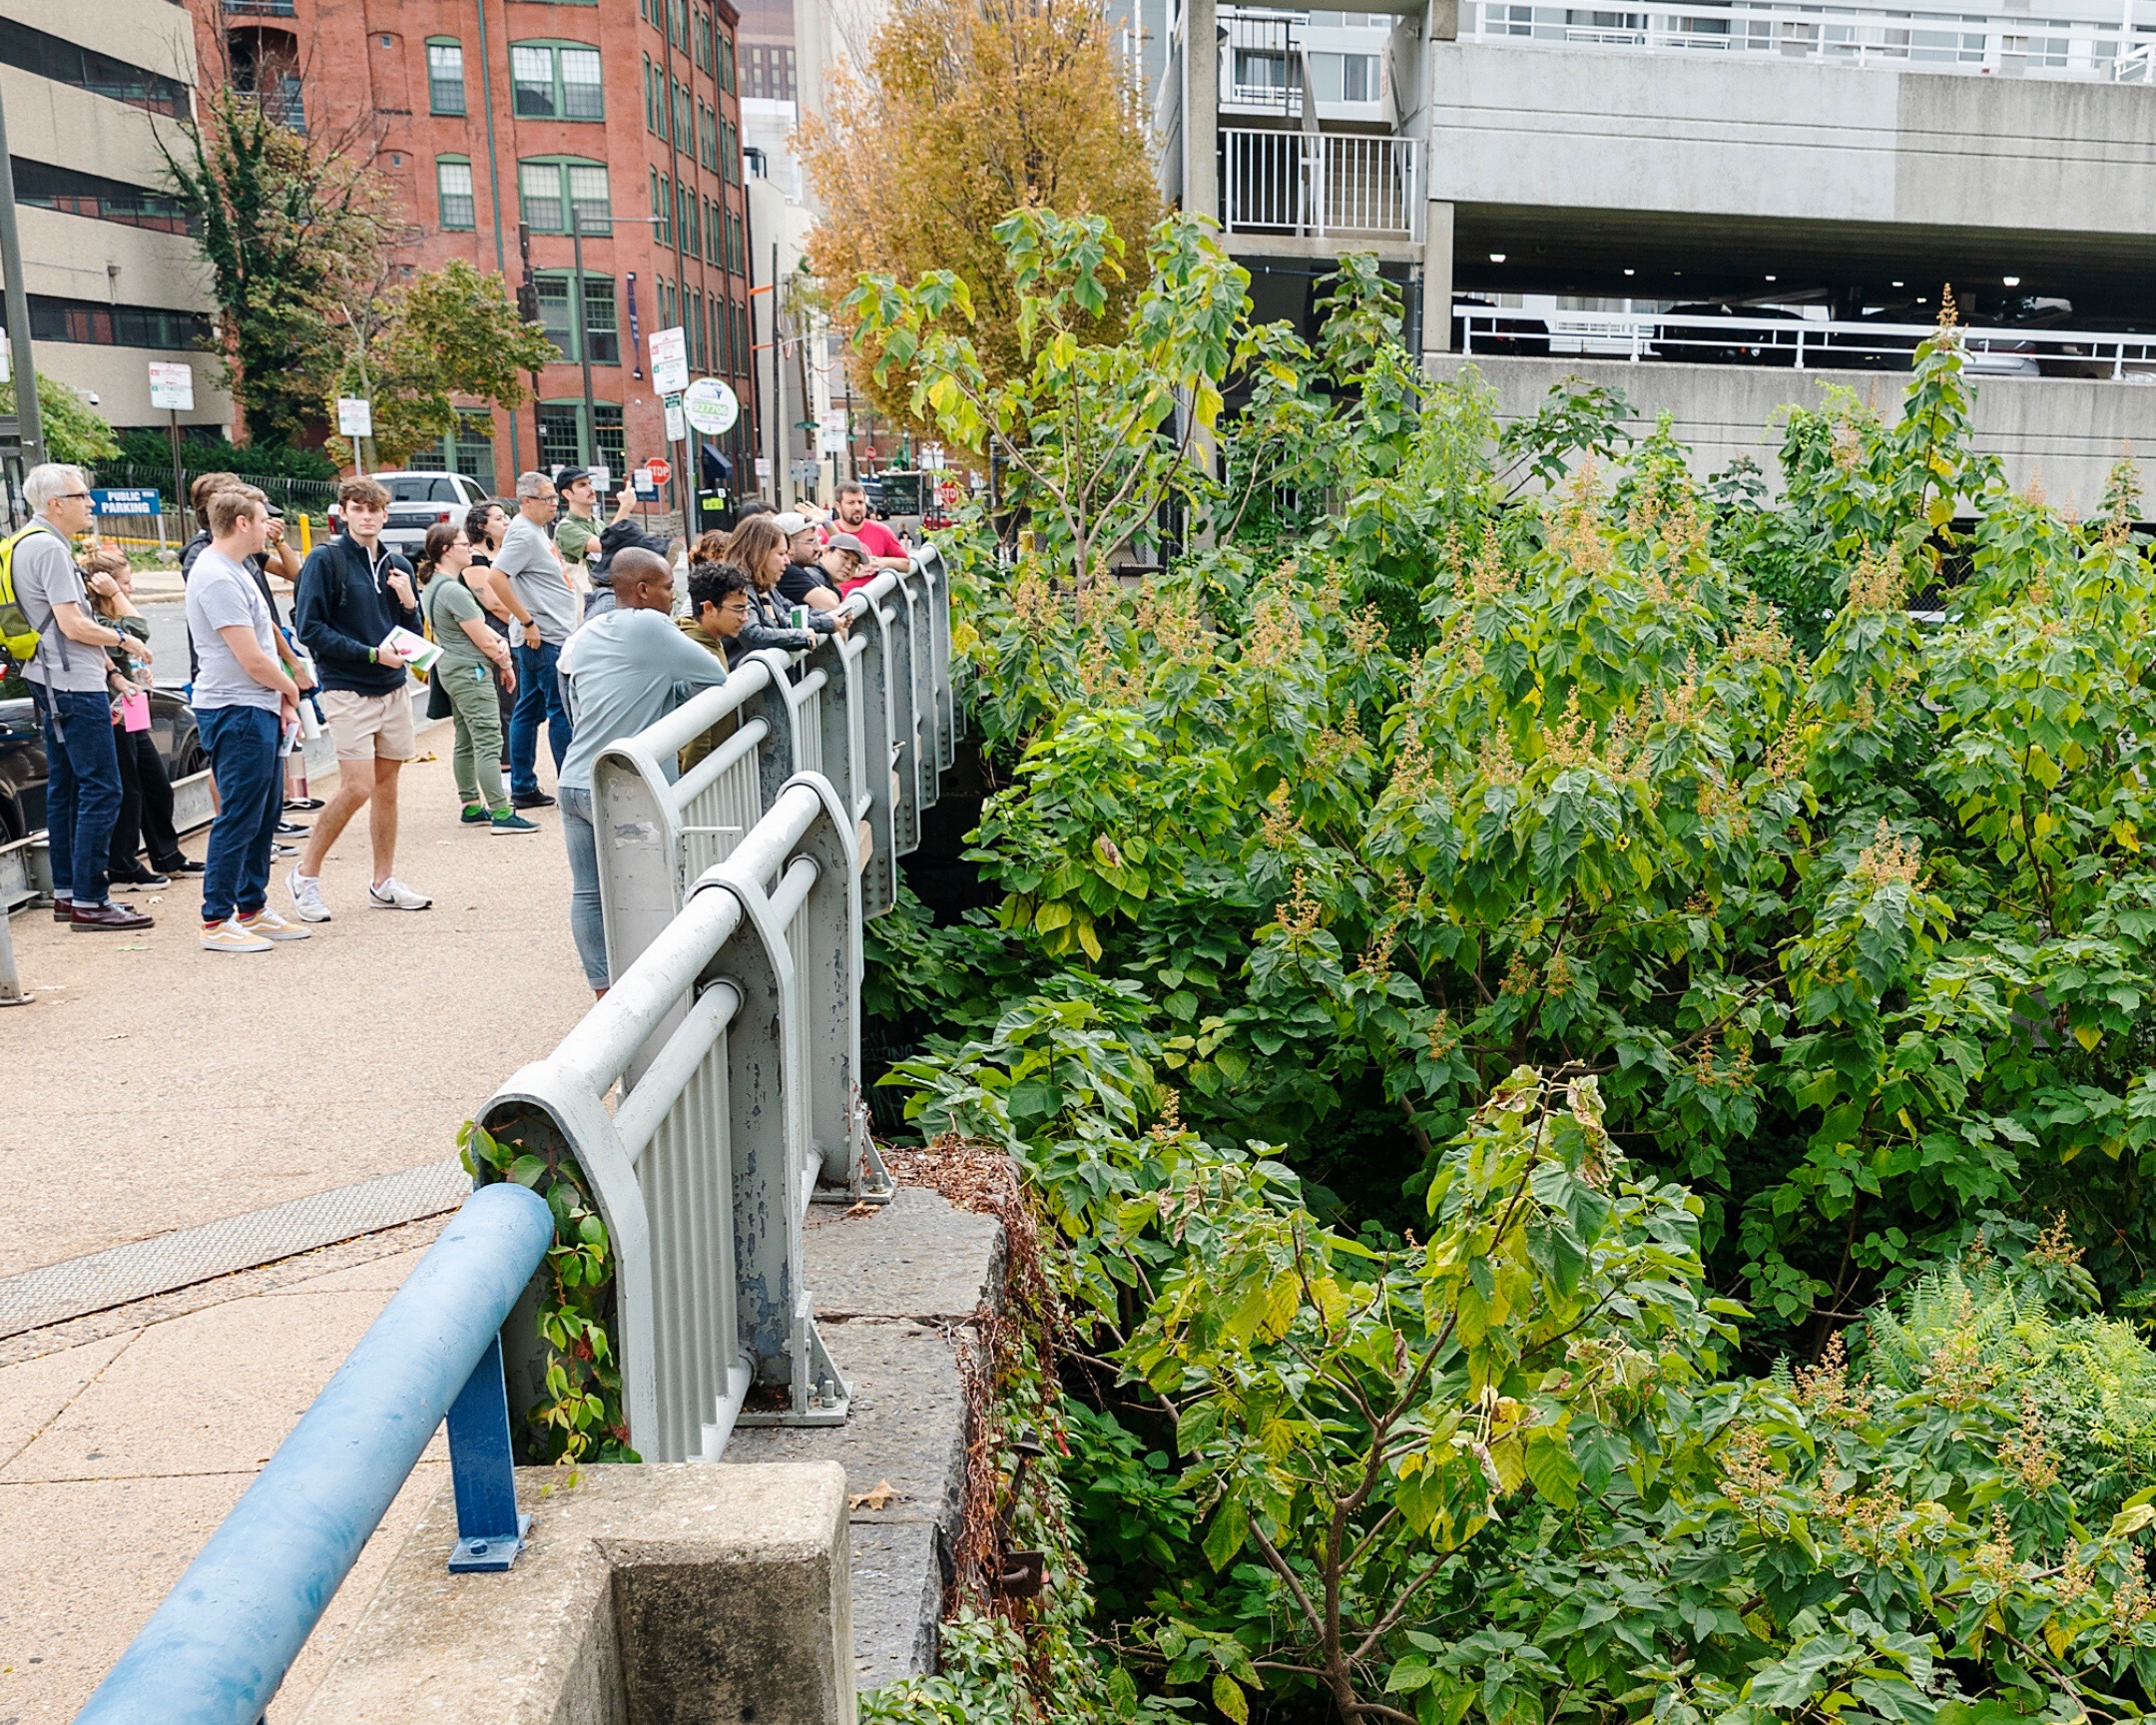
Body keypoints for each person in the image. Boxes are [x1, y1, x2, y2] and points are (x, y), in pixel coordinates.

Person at [556, 547, 731, 996]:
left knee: (589, 893)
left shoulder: (592, 631)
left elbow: (577, 697)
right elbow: (714, 675)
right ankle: (659, 991)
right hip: (627, 787)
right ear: (642, 590)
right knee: (655, 887)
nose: (675, 597)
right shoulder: (653, 626)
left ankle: (604, 992)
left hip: (577, 779)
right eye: (669, 587)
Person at [10, 465, 152, 930]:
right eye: (81, 496)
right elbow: (72, 626)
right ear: (56, 503)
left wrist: (111, 674)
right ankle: (92, 900)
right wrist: (122, 641)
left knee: (67, 788)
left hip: (49, 678)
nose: (90, 503)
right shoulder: (49, 548)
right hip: (72, 684)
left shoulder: (27, 542)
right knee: (102, 787)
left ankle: (69, 893)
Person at [288, 477, 431, 919]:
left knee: (387, 788)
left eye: (374, 508)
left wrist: (409, 603)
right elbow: (309, 629)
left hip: (393, 689)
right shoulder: (324, 560)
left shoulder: (399, 566)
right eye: (358, 507)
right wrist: (370, 653)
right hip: (347, 686)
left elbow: (413, 631)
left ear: (385, 515)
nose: (367, 515)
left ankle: (383, 880)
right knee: (356, 787)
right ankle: (305, 875)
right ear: (344, 512)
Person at [185, 490, 308, 952]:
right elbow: (249, 656)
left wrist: (281, 685)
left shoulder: (236, 570)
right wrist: (291, 685)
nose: (269, 527)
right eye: (262, 520)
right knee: (239, 813)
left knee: (263, 811)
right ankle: (216, 919)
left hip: (255, 704)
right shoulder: (216, 576)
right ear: (240, 523)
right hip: (235, 706)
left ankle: (251, 907)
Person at [80, 547, 195, 887]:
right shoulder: (95, 620)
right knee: (127, 786)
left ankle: (166, 854)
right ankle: (122, 864)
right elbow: (138, 630)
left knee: (155, 782)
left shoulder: (109, 619)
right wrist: (114, 594)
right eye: (124, 584)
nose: (128, 591)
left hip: (129, 704)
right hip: (109, 707)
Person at [418, 522, 535, 835]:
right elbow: (482, 638)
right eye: (463, 545)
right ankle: (500, 810)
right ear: (446, 551)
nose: (469, 549)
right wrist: (504, 659)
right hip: (472, 670)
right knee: (488, 739)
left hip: (451, 669)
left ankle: (470, 804)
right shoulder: (455, 591)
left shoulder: (434, 587)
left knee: (466, 739)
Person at [494, 471, 578, 810]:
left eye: (555, 498)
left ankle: (524, 785)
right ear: (526, 501)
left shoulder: (535, 531)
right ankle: (570, 786)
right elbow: (496, 576)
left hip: (545, 633)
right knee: (559, 709)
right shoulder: (524, 535)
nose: (554, 504)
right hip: (542, 635)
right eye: (548, 499)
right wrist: (527, 621)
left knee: (528, 708)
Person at [726, 514, 844, 658]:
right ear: (759, 554)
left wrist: (829, 618)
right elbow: (754, 636)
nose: (787, 561)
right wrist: (804, 635)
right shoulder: (735, 589)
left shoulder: (767, 587)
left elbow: (790, 614)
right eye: (781, 554)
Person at [823, 479, 910, 583]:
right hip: (837, 598)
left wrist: (881, 562)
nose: (857, 508)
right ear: (838, 506)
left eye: (860, 502)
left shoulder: (882, 531)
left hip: (871, 597)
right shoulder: (823, 532)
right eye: (851, 503)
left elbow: (906, 564)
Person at [774, 512, 843, 613]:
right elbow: (831, 604)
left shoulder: (800, 568)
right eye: (811, 541)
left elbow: (835, 599)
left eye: (818, 541)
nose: (818, 548)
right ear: (788, 545)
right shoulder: (788, 571)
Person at [552, 468, 603, 576]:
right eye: (582, 485)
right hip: (582, 590)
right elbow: (607, 545)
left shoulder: (599, 524)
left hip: (605, 590)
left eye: (590, 483)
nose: (590, 489)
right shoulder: (565, 528)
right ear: (567, 494)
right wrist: (625, 507)